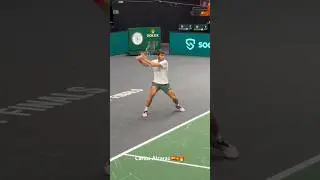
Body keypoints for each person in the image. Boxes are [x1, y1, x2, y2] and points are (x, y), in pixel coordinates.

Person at [136, 51, 185, 118]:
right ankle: (145, 110)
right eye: (161, 55)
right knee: (151, 94)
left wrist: (144, 57)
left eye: (163, 55)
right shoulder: (154, 61)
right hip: (155, 83)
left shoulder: (165, 62)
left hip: (165, 84)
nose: (163, 57)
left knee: (174, 98)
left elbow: (153, 65)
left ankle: (177, 105)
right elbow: (146, 65)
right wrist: (140, 60)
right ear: (158, 56)